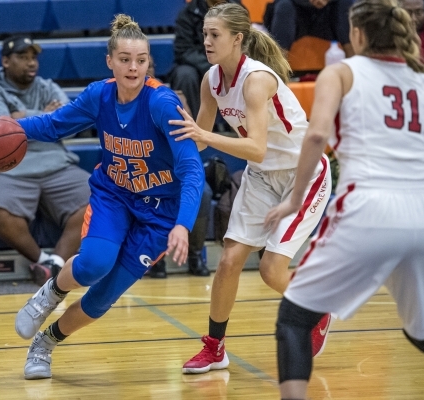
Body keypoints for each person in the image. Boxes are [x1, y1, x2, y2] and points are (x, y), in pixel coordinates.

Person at [264, 0, 424, 398]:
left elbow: (316, 137)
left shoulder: (342, 72)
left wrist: (294, 200)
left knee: (294, 320)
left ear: (359, 34)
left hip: (368, 207)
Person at [9, 15, 204, 380]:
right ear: (110, 61)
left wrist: (182, 225)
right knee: (94, 264)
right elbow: (53, 125)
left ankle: (45, 343)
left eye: (141, 60)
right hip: (115, 195)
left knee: (101, 298)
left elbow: (193, 169)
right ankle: (50, 293)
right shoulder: (100, 94)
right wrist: (8, 128)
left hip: (161, 214)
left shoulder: (162, 103)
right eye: (126, 59)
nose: (134, 67)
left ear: (149, 63)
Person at [169, 3, 333, 375]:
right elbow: (197, 141)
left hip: (301, 173)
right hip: (261, 174)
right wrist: (160, 150)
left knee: (272, 269)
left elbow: (254, 145)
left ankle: (317, 308)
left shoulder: (257, 79)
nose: (207, 41)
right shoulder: (210, 80)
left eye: (215, 35)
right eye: (205, 34)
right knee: (228, 261)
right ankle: (214, 348)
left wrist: (203, 135)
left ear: (237, 39)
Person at [0, 35, 92, 286]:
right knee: (0, 213)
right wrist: (46, 119)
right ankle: (42, 259)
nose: (31, 63)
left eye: (33, 57)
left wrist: (19, 118)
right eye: (22, 57)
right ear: (5, 61)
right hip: (5, 169)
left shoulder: (48, 86)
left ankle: (56, 264)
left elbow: (70, 124)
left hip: (54, 163)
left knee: (100, 199)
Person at [146, 54, 213, 278]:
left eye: (148, 63)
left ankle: (194, 254)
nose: (144, 69)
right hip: (142, 172)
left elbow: (192, 141)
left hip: (174, 168)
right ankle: (155, 258)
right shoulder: (120, 98)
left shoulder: (173, 98)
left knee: (202, 193)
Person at [168, 0, 244, 120]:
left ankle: (242, 125)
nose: (207, 41)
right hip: (197, 66)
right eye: (205, 34)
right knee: (185, 74)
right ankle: (190, 128)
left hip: (229, 61)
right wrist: (213, 68)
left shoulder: (238, 10)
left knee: (241, 70)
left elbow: (245, 45)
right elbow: (183, 50)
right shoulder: (188, 13)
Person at [266, 0, 355, 59]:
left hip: (329, 12)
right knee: (284, 7)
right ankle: (277, 71)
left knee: (346, 4)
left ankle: (354, 68)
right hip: (296, 8)